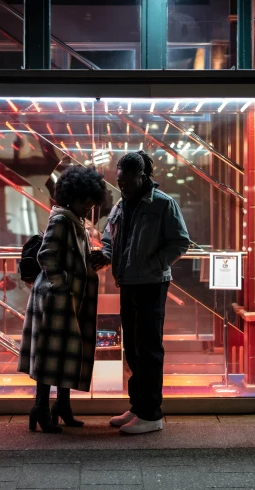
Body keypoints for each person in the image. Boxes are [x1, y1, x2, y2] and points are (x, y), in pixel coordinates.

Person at [91, 151, 190, 435]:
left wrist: (153, 264)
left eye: (127, 182)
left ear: (142, 177)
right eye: (119, 182)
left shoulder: (163, 204)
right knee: (133, 349)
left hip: (151, 284)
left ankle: (151, 414)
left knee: (148, 350)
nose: (122, 187)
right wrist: (105, 255)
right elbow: (110, 238)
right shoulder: (122, 204)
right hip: (129, 283)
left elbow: (180, 241)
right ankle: (138, 407)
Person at [18, 166, 107, 433]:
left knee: (64, 353)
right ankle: (41, 408)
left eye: (90, 202)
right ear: (71, 197)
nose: (88, 206)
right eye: (84, 201)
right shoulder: (62, 219)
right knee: (52, 355)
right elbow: (46, 255)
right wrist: (63, 284)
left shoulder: (71, 219)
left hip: (65, 299)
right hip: (58, 299)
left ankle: (61, 406)